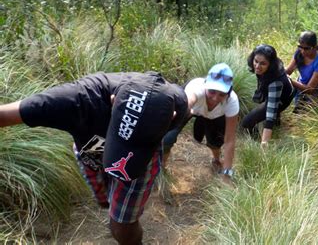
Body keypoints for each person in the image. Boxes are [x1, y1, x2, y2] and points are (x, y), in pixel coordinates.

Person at [0, 72, 188, 245]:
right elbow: (5, 115)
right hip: (91, 147)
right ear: (114, 102)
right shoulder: (77, 101)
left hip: (142, 158)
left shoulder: (176, 106)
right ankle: (110, 204)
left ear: (171, 118)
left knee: (121, 225)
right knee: (104, 198)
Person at [162, 63, 239, 181]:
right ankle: (161, 169)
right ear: (206, 85)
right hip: (191, 108)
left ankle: (216, 160)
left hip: (215, 115)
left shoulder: (232, 101)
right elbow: (188, 102)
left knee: (215, 142)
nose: (215, 98)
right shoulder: (196, 89)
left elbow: (229, 141)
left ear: (229, 92)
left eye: (222, 94)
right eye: (212, 91)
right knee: (168, 138)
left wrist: (227, 173)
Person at [242, 44, 295, 146]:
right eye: (256, 61)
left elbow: (271, 113)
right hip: (281, 91)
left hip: (283, 99)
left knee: (247, 123)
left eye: (262, 63)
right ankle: (277, 123)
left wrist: (264, 142)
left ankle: (257, 142)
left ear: (270, 64)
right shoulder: (265, 69)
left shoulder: (275, 82)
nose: (257, 66)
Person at [285, 31, 318, 110]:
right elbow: (288, 71)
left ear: (315, 47)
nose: (302, 51)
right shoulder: (299, 53)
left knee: (306, 118)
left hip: (315, 98)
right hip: (300, 91)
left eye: (306, 48)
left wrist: (290, 80)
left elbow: (310, 89)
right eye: (300, 47)